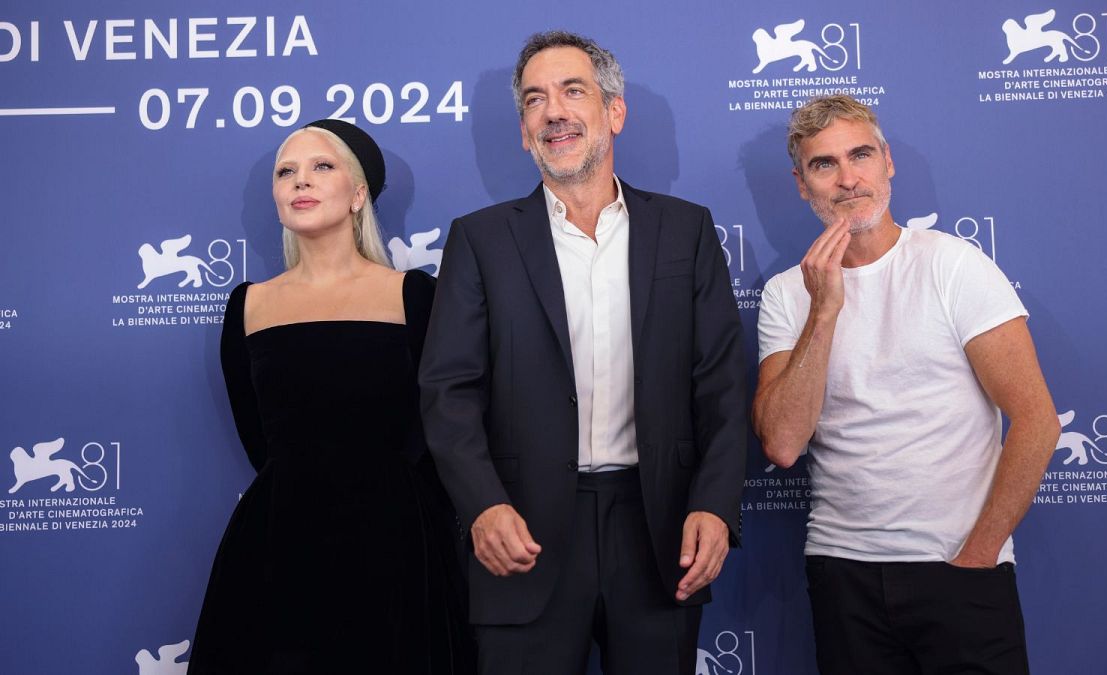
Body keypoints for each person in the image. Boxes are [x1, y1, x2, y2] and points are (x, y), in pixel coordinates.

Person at [419, 31, 746, 675]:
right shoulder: (479, 240)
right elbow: (447, 391)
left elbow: (723, 386)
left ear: (613, 112)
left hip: (658, 532)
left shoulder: (686, 230)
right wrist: (482, 504)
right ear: (523, 132)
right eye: (536, 100)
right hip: (522, 532)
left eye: (574, 91)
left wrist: (714, 504)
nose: (555, 112)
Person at [753, 95, 1061, 674]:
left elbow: (1038, 421)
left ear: (887, 161)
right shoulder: (787, 294)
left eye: (861, 155)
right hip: (842, 572)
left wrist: (980, 555)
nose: (848, 179)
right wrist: (824, 313)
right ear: (801, 184)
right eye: (825, 165)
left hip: (961, 568)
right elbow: (783, 443)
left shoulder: (953, 266)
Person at [189, 119, 474, 673]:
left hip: (398, 546)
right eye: (286, 172)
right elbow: (258, 436)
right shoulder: (248, 306)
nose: (301, 182)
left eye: (322, 166)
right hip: (282, 543)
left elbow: (442, 423)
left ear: (359, 192)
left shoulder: (414, 296)